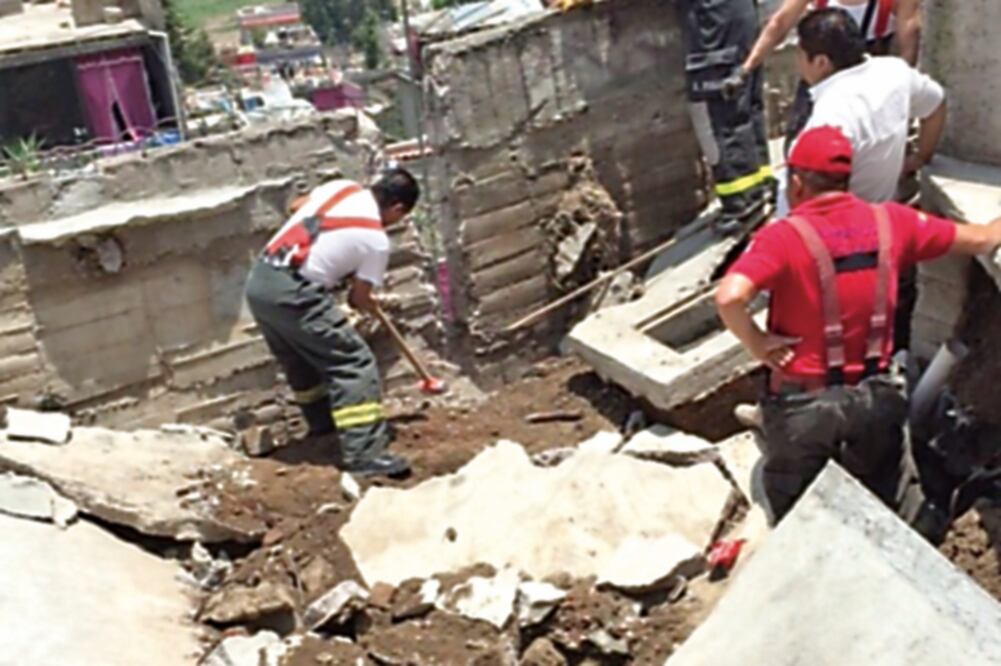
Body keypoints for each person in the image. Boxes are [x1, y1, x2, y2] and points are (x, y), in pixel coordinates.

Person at [716, 126, 1001, 533]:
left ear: (797, 183)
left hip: (802, 405)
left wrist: (757, 343)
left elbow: (729, 297)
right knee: (884, 499)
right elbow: (982, 238)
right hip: (875, 398)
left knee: (797, 510)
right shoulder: (892, 221)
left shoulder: (782, 237)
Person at [244, 168, 420, 478]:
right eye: (400, 217)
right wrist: (363, 291)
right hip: (295, 293)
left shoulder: (342, 188)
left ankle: (323, 426)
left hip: (261, 281)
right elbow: (358, 301)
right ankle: (364, 453)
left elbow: (297, 207)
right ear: (397, 209)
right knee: (354, 363)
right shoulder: (375, 241)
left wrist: (335, 250)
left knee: (300, 359)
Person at [674, 0, 773, 235]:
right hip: (737, 22)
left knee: (719, 118)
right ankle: (760, 189)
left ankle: (742, 206)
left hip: (715, 33)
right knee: (746, 108)